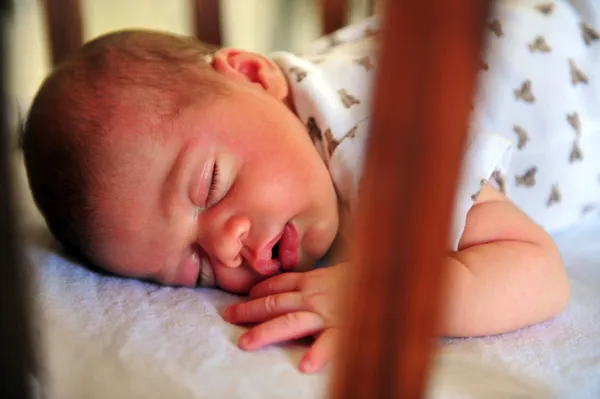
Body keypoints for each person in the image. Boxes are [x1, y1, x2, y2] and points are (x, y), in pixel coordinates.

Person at [23, 2, 591, 374]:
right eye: (194, 266)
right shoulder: (278, 125)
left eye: (212, 186)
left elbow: (535, 270)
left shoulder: (374, 141)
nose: (225, 250)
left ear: (253, 75)